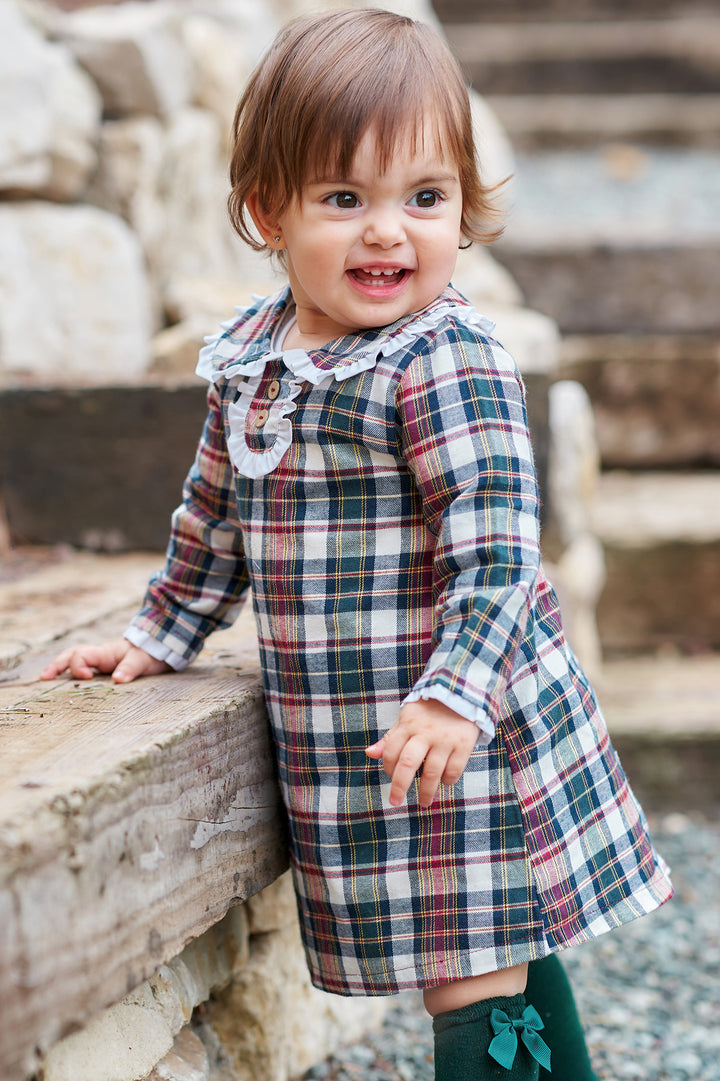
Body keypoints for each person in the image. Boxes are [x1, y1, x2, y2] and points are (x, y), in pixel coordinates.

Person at [41, 9, 672, 1079]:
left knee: (473, 962)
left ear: (463, 208)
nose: (389, 231)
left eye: (423, 198)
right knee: (480, 947)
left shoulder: (445, 360)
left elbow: (501, 552)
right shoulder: (257, 358)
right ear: (266, 212)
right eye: (345, 199)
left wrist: (454, 694)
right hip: (370, 743)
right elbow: (213, 519)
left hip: (463, 729)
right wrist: (160, 634)